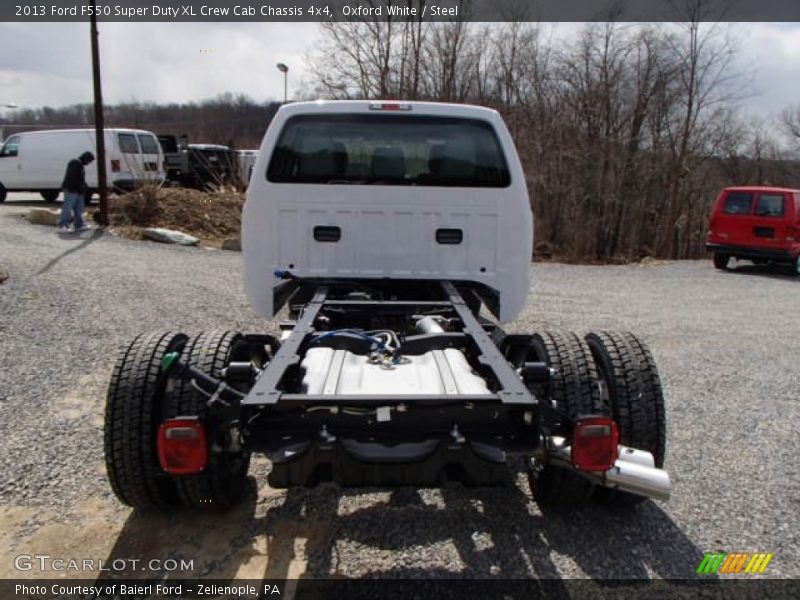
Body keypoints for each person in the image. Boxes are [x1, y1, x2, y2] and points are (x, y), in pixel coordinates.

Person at [58, 151, 94, 232]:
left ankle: (79, 225)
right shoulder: (74, 163)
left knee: (79, 209)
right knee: (67, 208)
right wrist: (80, 188)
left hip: (78, 191)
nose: (88, 163)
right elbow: (73, 178)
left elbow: (81, 179)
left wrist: (84, 188)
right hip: (71, 190)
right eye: (89, 161)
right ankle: (63, 226)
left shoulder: (80, 165)